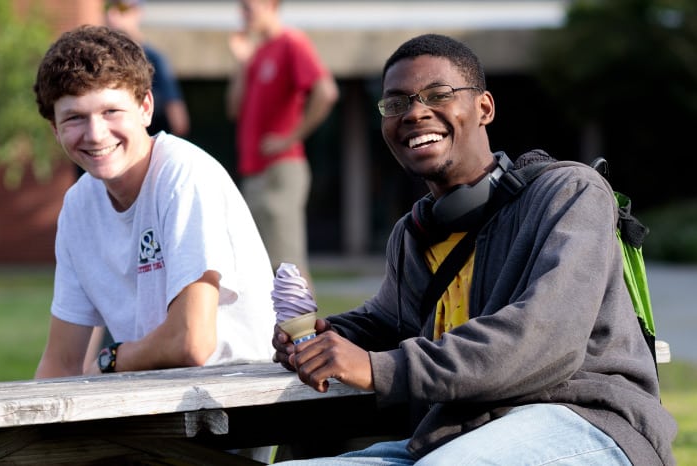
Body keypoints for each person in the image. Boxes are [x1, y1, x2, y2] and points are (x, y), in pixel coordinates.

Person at [271, 34, 677, 465]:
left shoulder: (569, 193)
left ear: (484, 107)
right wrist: (324, 337)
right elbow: (388, 321)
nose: (414, 112)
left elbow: (542, 338)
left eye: (436, 95)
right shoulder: (415, 233)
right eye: (396, 103)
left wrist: (378, 368)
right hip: (462, 432)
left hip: (588, 421)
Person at [32, 25, 275, 380]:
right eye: (74, 118)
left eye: (111, 111)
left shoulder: (182, 174)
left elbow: (191, 341)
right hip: (151, 399)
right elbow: (61, 362)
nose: (96, 133)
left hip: (231, 401)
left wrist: (110, 361)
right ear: (55, 130)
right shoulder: (78, 205)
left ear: (146, 108)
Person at [226, 0, 339, 287]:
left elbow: (326, 92)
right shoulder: (257, 53)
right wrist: (242, 64)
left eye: (248, 8)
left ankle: (310, 334)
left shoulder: (291, 42)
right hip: (254, 173)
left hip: (280, 170)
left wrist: (290, 138)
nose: (242, 15)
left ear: (269, 5)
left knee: (288, 267)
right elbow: (233, 109)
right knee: (258, 268)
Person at [105, 0, 190, 137]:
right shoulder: (97, 60)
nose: (112, 14)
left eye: (121, 8)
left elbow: (179, 121)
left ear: (138, 12)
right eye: (108, 7)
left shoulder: (155, 59)